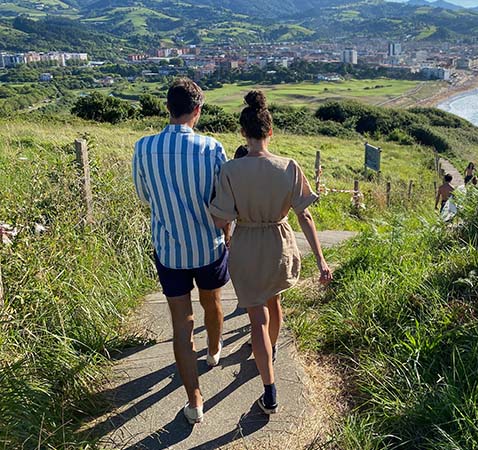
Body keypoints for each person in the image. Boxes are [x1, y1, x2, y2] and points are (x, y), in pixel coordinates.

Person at [209, 90, 332, 415]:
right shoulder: (289, 167)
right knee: (274, 303)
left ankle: (270, 391)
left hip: (247, 245)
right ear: (270, 132)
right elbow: (305, 214)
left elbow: (221, 217)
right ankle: (270, 353)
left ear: (243, 133)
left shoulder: (230, 171)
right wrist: (321, 260)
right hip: (280, 242)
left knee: (257, 319)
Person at [132, 78, 230, 425]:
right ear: (198, 111)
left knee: (181, 323)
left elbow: (145, 197)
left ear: (168, 108)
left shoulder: (143, 148)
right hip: (208, 246)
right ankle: (215, 352)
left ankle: (195, 400)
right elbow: (223, 201)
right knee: (213, 302)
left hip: (169, 249)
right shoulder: (212, 148)